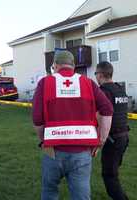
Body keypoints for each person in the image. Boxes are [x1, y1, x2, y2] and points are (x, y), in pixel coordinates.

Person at [32, 50, 113, 200]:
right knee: (81, 195)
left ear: (55, 66)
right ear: (73, 66)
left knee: (49, 192)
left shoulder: (45, 83)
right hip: (82, 152)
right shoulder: (88, 83)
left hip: (53, 151)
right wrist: (101, 140)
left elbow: (37, 118)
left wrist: (44, 140)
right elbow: (107, 110)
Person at [95, 61, 129, 200]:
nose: (95, 77)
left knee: (109, 176)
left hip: (112, 139)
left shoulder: (103, 92)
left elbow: (100, 116)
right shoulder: (120, 89)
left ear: (101, 74)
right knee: (114, 171)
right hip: (123, 137)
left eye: (96, 73)